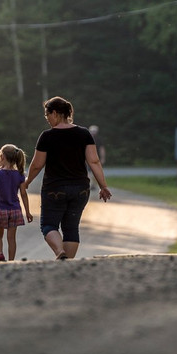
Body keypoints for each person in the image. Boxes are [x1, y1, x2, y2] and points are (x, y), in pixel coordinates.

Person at [23, 96, 112, 260]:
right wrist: (103, 186)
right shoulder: (84, 134)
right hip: (80, 189)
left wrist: (27, 181)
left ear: (55, 113)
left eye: (47, 115)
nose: (47, 119)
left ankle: (59, 252)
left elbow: (36, 165)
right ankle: (67, 266)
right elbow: (94, 161)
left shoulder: (47, 136)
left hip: (54, 189)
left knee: (48, 225)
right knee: (71, 228)